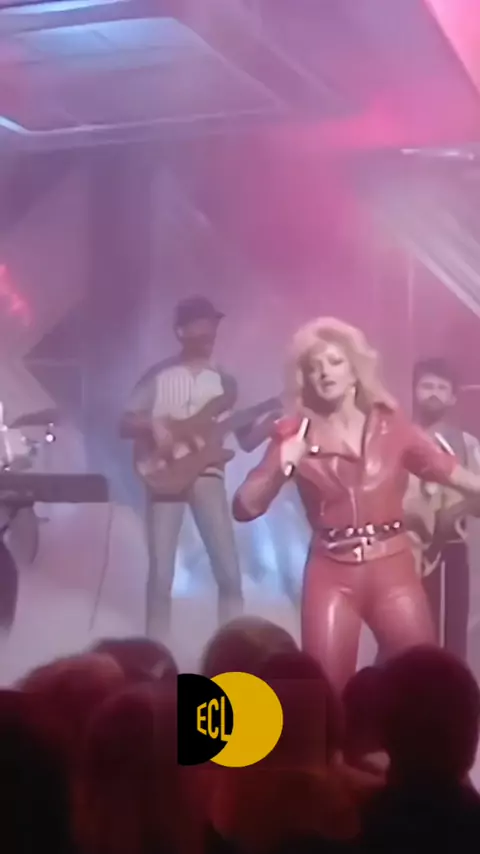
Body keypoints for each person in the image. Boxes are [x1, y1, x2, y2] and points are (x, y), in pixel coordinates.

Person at [233, 318, 480, 690]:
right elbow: (244, 507)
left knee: (423, 680)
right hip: (331, 572)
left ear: (354, 371)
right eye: (314, 367)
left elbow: (448, 470)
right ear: (305, 378)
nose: (324, 372)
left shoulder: (391, 426)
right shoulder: (295, 434)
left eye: (334, 362)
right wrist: (283, 464)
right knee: (326, 687)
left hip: (393, 568)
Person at [121, 296, 251, 640]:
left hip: (208, 476)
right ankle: (155, 652)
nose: (210, 332)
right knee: (161, 576)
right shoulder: (158, 376)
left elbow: (248, 438)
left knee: (228, 572)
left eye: (213, 324)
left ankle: (235, 649)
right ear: (182, 331)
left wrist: (275, 426)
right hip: (164, 475)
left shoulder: (226, 381)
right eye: (202, 324)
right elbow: (124, 423)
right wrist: (153, 424)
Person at [411, 358, 480, 661]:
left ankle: (453, 691)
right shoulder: (395, 440)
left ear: (453, 397)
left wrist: (455, 512)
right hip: (402, 552)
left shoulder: (467, 444)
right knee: (409, 639)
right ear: (414, 390)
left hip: (449, 551)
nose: (434, 393)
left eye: (442, 388)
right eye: (427, 386)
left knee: (452, 641)